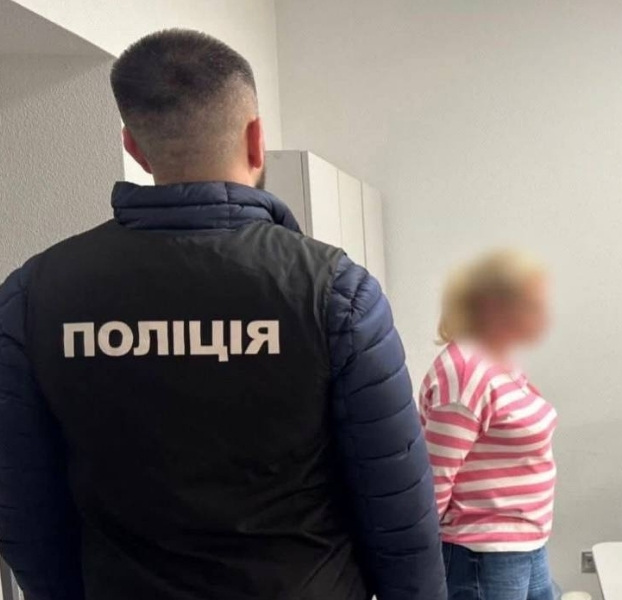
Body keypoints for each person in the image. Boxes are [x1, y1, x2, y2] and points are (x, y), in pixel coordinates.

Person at [0, 29, 445, 600]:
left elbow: (23, 507)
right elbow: (398, 512)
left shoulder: (33, 296)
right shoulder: (336, 292)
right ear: (256, 139)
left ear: (134, 147)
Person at [418, 250, 558, 600]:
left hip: (524, 545)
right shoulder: (464, 371)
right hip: (482, 554)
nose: (543, 314)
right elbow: (435, 478)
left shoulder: (500, 360)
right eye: (531, 304)